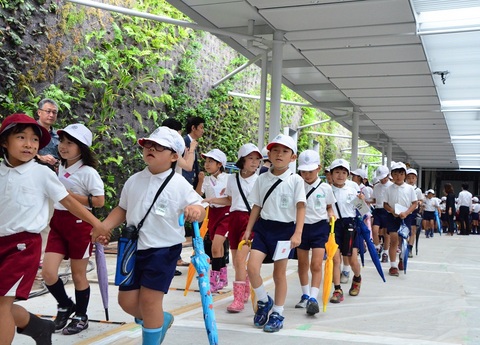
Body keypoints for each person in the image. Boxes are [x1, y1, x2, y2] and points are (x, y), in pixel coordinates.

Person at [92, 126, 205, 345]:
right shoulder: (134, 180)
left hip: (163, 250)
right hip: (131, 249)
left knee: (150, 301)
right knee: (126, 301)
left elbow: (199, 207)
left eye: (159, 147)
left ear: (174, 156)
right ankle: (161, 320)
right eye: (148, 145)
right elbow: (123, 209)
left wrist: (195, 211)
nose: (151, 149)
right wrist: (104, 226)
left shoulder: (179, 184)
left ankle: (152, 334)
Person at [0, 113, 102, 345]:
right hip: (2, 241)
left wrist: (98, 225)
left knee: (2, 304)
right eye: (21, 137)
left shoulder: (42, 173)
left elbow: (69, 202)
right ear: (5, 142)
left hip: (22, 246)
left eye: (34, 140)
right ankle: (38, 327)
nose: (29, 144)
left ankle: (77, 313)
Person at [41, 124, 105, 334]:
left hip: (79, 224)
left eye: (70, 143)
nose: (64, 147)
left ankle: (81, 316)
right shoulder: (59, 167)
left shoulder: (88, 172)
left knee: (79, 275)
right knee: (49, 272)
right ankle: (65, 305)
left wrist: (68, 195)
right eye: (62, 142)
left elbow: (99, 201)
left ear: (82, 147)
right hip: (58, 223)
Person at [244, 134, 306, 333]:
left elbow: (301, 207)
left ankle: (278, 313)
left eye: (285, 151)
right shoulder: (262, 178)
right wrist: (248, 230)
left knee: (279, 273)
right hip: (263, 229)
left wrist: (297, 233)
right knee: (251, 267)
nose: (280, 154)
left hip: (284, 232)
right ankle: (263, 301)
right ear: (268, 154)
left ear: (293, 157)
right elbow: (256, 206)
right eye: (275, 150)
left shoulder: (296, 180)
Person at [204, 143, 263, 312]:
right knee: (238, 262)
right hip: (234, 219)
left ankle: (237, 299)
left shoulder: (259, 180)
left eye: (257, 159)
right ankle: (244, 290)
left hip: (250, 219)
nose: (254, 162)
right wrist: (212, 200)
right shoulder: (232, 179)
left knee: (239, 260)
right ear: (242, 160)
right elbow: (230, 200)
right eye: (250, 158)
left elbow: (261, 204)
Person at [295, 150, 335, 316]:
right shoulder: (297, 185)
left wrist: (332, 215)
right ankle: (305, 294)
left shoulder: (325, 188)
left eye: (310, 171)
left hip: (320, 228)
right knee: (303, 264)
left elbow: (330, 206)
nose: (306, 174)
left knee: (316, 264)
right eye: (303, 171)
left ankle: (313, 297)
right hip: (301, 228)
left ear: (318, 168)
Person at [162, 118, 197, 272]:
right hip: (171, 191)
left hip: (162, 190)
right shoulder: (172, 148)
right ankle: (172, 261)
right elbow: (188, 166)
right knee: (173, 225)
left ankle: (172, 260)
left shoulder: (159, 147)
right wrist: (192, 150)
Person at [196, 149, 230, 292]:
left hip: (226, 213)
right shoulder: (207, 180)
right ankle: (223, 278)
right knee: (219, 248)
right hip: (213, 214)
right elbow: (198, 195)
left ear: (220, 164)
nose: (207, 164)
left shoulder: (228, 178)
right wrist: (201, 180)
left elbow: (230, 199)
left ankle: (214, 279)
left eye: (211, 161)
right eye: (206, 161)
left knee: (215, 247)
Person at [329, 159, 362, 303]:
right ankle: (337, 289)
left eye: (343, 172)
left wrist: (361, 200)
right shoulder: (327, 189)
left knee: (352, 259)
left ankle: (357, 277)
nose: (340, 175)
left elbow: (363, 210)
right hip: (333, 226)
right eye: (337, 172)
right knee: (336, 259)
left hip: (350, 225)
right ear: (331, 174)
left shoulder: (352, 189)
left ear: (348, 175)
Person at [383, 162, 418, 276]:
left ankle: (402, 259)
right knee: (393, 239)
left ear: (405, 175)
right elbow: (385, 204)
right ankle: (393, 266)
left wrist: (407, 213)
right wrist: (392, 211)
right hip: (392, 216)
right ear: (392, 175)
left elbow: (414, 203)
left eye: (401, 174)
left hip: (406, 217)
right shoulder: (388, 189)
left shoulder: (409, 189)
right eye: (396, 174)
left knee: (403, 240)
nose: (398, 176)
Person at [371, 165, 392, 262]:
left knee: (386, 233)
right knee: (375, 230)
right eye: (381, 178)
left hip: (387, 211)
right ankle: (377, 247)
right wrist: (365, 201)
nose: (382, 180)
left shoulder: (392, 186)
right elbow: (374, 199)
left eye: (384, 178)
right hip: (378, 210)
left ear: (388, 176)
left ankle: (385, 252)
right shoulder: (376, 187)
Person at [36, 98, 60, 169]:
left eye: (54, 112)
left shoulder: (58, 136)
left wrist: (57, 163)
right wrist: (40, 157)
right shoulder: (30, 131)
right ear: (39, 112)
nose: (51, 115)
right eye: (48, 111)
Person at [182, 116, 205, 189]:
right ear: (193, 128)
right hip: (185, 182)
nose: (203, 131)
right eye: (201, 128)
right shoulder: (184, 142)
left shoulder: (192, 142)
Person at [405, 168, 423, 256]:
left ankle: (410, 249)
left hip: (414, 211)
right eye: (409, 177)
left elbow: (420, 200)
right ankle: (404, 245)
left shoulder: (418, 190)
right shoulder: (403, 188)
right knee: (404, 230)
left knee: (412, 230)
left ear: (416, 179)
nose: (411, 180)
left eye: (413, 177)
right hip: (404, 211)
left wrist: (419, 203)